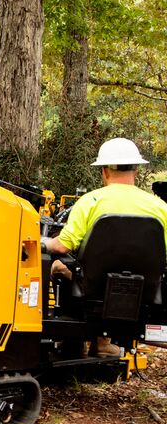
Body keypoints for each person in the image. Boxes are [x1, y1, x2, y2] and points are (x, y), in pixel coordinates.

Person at [42, 137, 167, 358]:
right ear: (136, 170)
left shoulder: (90, 201)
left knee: (58, 267)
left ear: (105, 171)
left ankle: (73, 342)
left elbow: (62, 246)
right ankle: (103, 343)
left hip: (93, 287)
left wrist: (42, 242)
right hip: (143, 290)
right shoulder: (160, 207)